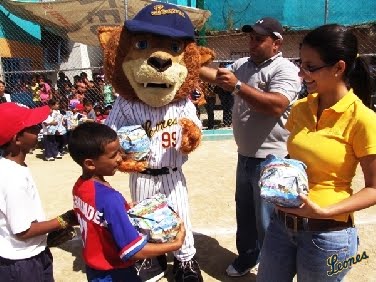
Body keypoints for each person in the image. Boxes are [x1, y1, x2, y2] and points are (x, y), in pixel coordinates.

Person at [256, 24, 376, 282]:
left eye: (311, 67)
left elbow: (374, 189)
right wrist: (279, 170)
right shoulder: (300, 108)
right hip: (280, 225)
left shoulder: (363, 119)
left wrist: (323, 211)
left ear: (339, 68)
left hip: (328, 236)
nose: (301, 74)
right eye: (301, 64)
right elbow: (301, 158)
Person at [200, 17, 301, 277]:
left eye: (259, 38)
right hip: (245, 155)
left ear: (276, 43)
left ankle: (273, 269)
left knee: (268, 221)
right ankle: (247, 256)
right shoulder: (243, 65)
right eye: (251, 37)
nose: (252, 43)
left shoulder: (285, 70)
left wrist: (237, 85)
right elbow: (218, 76)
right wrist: (184, 63)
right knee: (244, 213)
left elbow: (276, 105)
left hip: (273, 159)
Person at [68, 122, 186, 282]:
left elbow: (98, 218)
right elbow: (132, 251)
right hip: (116, 273)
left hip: (95, 270)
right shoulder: (110, 199)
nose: (119, 158)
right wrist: (176, 245)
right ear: (90, 163)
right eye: (112, 155)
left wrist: (124, 210)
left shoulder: (80, 186)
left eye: (119, 151)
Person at [0, 102, 77, 282]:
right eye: (32, 127)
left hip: (27, 255)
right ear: (17, 139)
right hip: (23, 264)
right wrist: (65, 219)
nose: (38, 128)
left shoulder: (12, 167)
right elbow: (24, 231)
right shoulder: (13, 178)